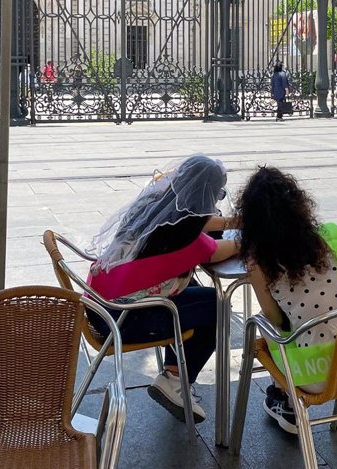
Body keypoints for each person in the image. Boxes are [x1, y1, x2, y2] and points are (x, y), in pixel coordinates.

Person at [86, 155, 237, 424]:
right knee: (217, 305)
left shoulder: (153, 207)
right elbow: (229, 249)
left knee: (190, 287)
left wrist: (230, 222)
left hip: (99, 306)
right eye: (216, 196)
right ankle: (176, 380)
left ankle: (172, 371)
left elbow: (199, 221)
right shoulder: (188, 241)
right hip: (121, 321)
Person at [236, 166, 337, 434]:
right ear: (300, 206)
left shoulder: (259, 261)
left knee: (266, 325)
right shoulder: (332, 237)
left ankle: (288, 402)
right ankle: (285, 401)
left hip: (312, 374)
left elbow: (274, 319)